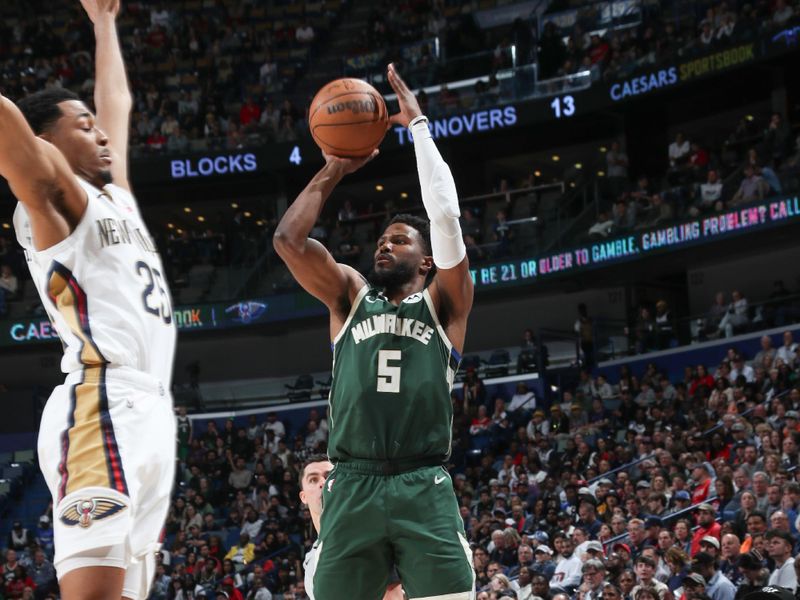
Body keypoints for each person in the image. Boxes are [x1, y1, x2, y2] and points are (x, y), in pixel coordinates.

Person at [274, 63, 475, 599]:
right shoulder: (349, 296)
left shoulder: (445, 305)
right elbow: (289, 242)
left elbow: (448, 219)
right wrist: (334, 169)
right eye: (382, 239)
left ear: (426, 261)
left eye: (400, 240)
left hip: (421, 482)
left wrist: (420, 130)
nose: (385, 244)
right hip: (354, 482)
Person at [2, 2, 177, 599]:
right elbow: (16, 145)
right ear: (46, 141)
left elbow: (118, 107)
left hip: (152, 411)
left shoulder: (114, 197)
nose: (100, 131)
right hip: (101, 403)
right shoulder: (56, 201)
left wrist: (104, 23)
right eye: (82, 125)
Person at [298, 455, 403, 600]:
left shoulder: (370, 533)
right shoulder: (311, 561)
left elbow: (392, 595)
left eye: (329, 476)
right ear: (303, 497)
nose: (322, 483)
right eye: (313, 480)